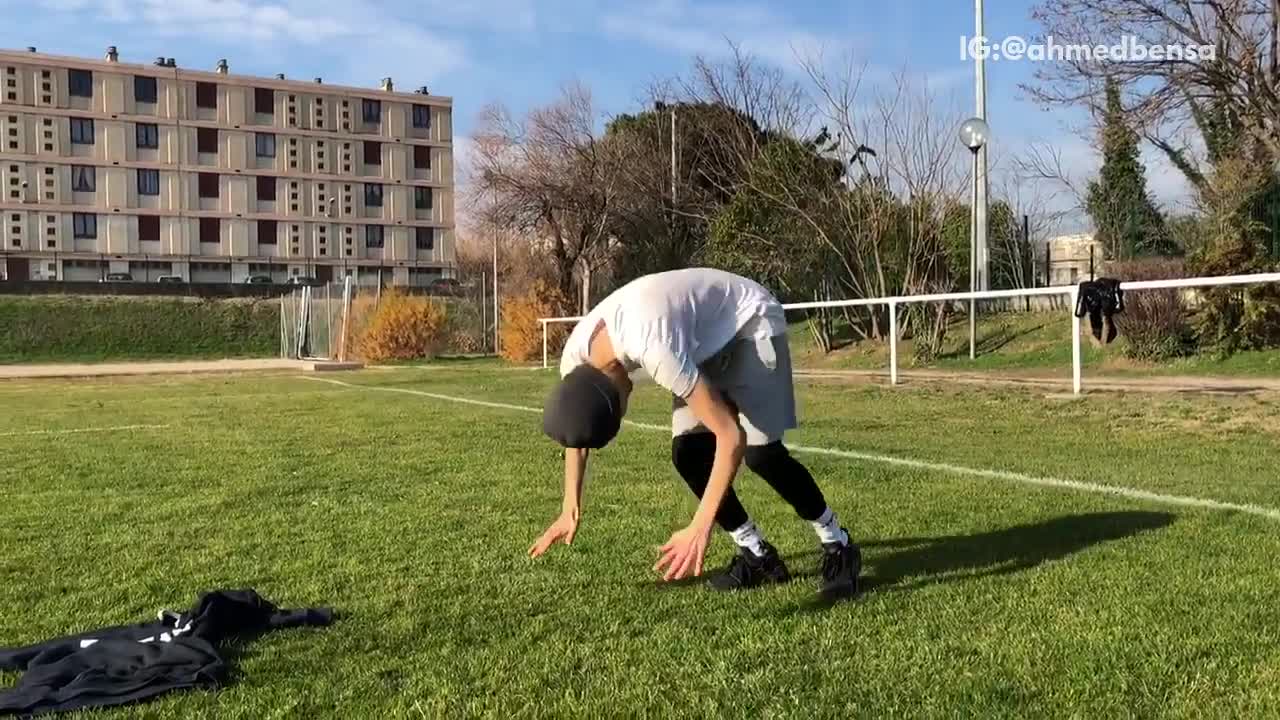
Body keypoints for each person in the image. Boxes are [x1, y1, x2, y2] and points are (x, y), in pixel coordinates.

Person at [529, 267, 861, 598]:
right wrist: (569, 507)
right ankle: (757, 555)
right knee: (689, 454)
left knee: (762, 454)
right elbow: (577, 429)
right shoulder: (575, 364)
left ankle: (838, 543)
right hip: (699, 339)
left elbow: (730, 436)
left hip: (747, 320)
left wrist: (700, 527)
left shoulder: (655, 348)